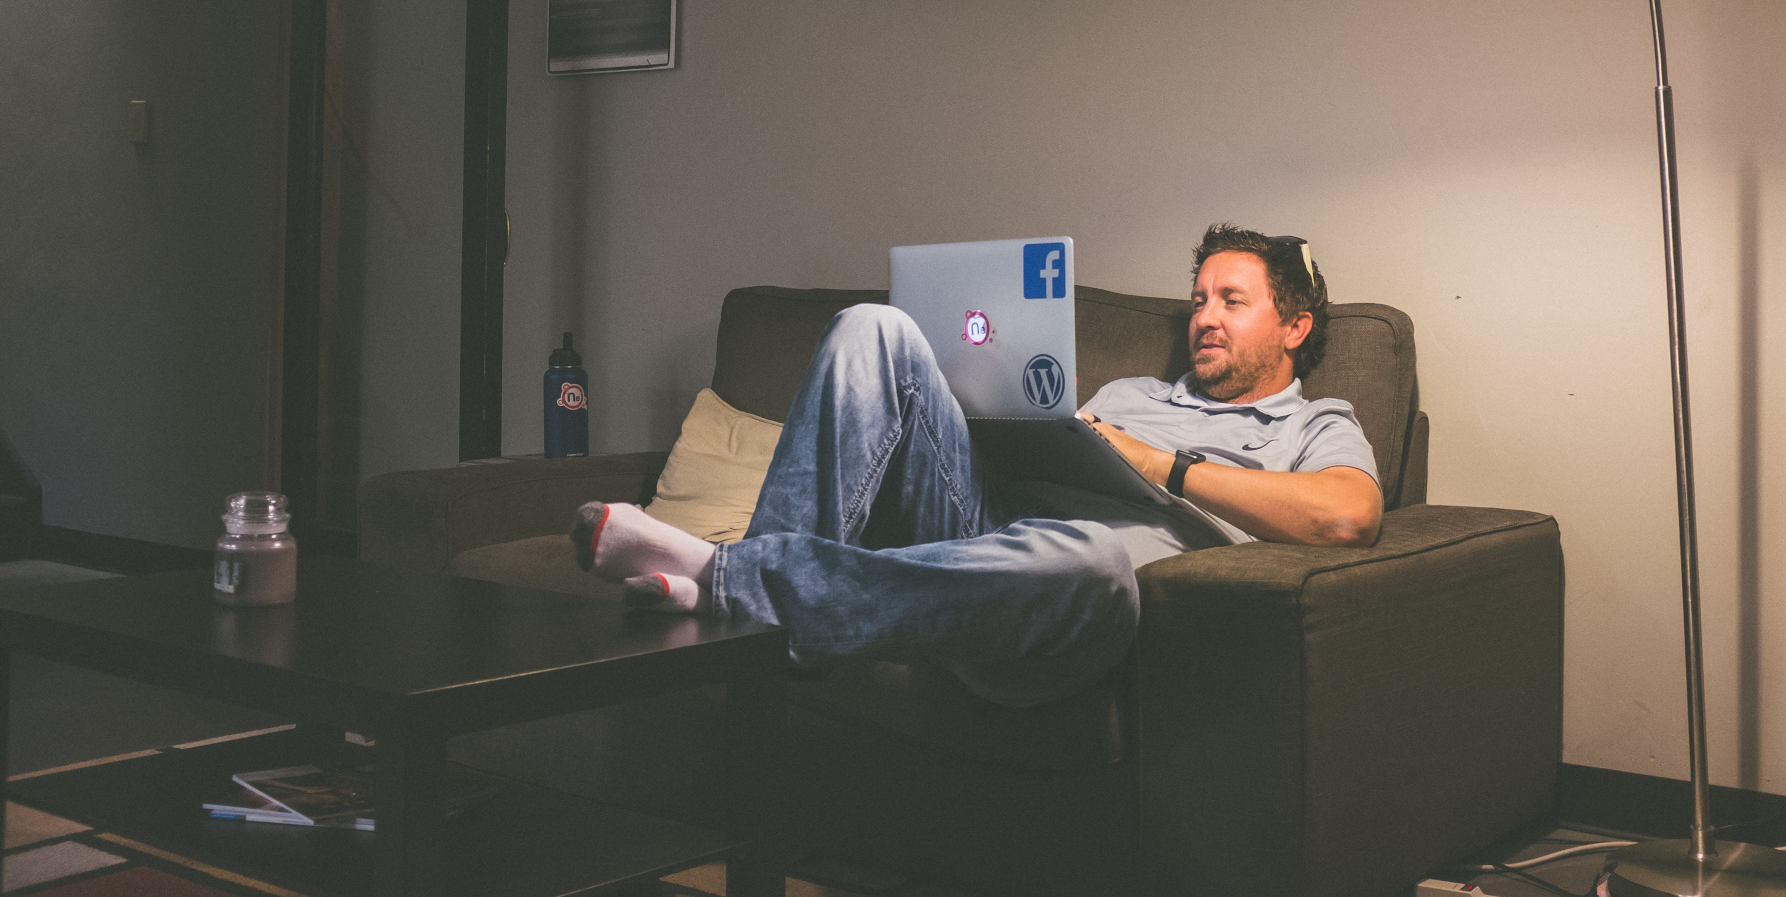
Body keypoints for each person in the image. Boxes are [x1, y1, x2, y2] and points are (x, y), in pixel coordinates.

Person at [571, 224, 1382, 705]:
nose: (1204, 318)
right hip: (975, 525)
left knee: (1092, 555)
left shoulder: (1312, 424)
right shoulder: (1132, 389)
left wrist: (1158, 463)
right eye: (1200, 298)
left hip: (1064, 602)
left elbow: (1346, 516)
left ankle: (731, 580)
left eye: (1231, 302)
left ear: (1295, 326)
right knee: (871, 329)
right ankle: (758, 602)